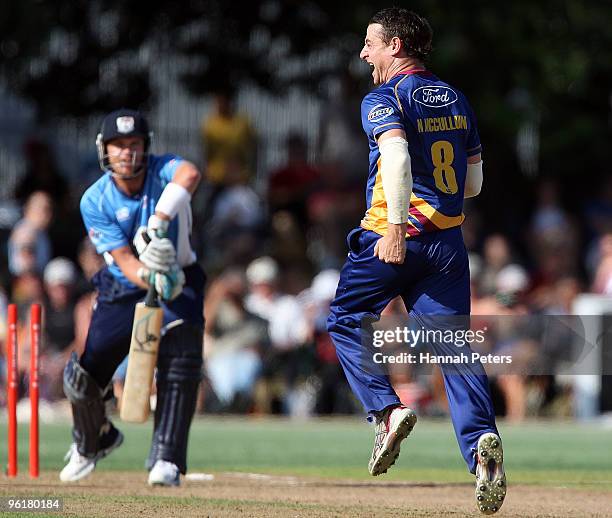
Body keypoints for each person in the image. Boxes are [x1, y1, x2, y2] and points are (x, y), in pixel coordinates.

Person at [326, 8, 506, 515]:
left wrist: (398, 229)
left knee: (343, 319)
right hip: (449, 244)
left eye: (371, 43)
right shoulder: (455, 97)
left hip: (394, 236)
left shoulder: (385, 97)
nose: (364, 52)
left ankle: (385, 413)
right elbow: (473, 183)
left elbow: (398, 158)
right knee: (453, 349)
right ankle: (481, 449)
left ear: (397, 47)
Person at [59, 109, 206, 487]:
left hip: (181, 276)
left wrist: (157, 221)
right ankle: (94, 440)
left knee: (181, 359)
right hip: (126, 282)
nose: (127, 153)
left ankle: (167, 459)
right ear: (104, 150)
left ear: (146, 147)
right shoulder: (95, 199)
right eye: (118, 146)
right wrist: (152, 274)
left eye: (134, 144)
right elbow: (123, 261)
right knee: (84, 376)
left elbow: (191, 174)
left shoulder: (163, 170)